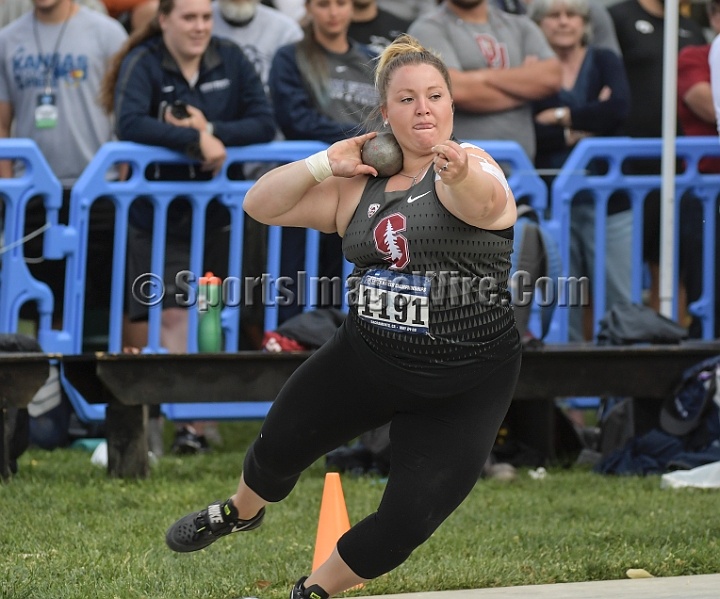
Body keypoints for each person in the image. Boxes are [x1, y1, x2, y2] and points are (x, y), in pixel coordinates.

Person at [165, 34, 522, 599]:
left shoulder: (473, 167)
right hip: (368, 357)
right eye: (407, 99)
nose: (423, 108)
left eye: (435, 96)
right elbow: (259, 204)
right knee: (278, 446)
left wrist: (458, 174)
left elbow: (483, 202)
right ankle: (240, 511)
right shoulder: (356, 188)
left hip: (466, 379)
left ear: (452, 105)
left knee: (405, 524)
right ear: (386, 114)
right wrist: (320, 163)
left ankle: (313, 590)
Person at [98, 0, 276, 452]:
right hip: (157, 215)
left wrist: (212, 128)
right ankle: (179, 421)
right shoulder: (144, 61)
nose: (200, 27)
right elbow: (129, 122)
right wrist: (196, 140)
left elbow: (263, 122)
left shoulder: (231, 57)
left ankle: (197, 422)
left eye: (205, 17)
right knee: (173, 310)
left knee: (210, 312)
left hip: (218, 212)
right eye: (188, 17)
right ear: (164, 20)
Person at [269, 0, 379, 323]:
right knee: (296, 281)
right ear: (309, 8)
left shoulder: (373, 61)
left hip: (360, 190)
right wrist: (359, 138)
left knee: (347, 283)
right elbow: (296, 119)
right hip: (309, 186)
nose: (333, 12)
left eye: (341, 3)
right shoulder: (290, 57)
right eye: (323, 4)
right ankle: (288, 341)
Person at [528, 0, 630, 342]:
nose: (563, 22)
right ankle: (567, 394)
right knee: (562, 296)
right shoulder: (533, 69)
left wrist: (559, 118)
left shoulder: (604, 59)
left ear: (584, 22)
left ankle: (621, 388)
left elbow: (617, 110)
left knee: (619, 294)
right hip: (554, 200)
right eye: (554, 15)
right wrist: (589, 117)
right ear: (539, 23)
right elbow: (532, 131)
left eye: (572, 14)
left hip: (609, 199)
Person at [609, 0, 705, 314]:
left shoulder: (689, 27)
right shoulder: (619, 17)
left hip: (680, 167)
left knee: (670, 264)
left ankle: (668, 344)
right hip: (626, 166)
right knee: (617, 269)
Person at [408, 0, 561, 162]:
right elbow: (454, 90)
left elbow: (552, 77)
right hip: (457, 170)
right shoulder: (428, 28)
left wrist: (478, 77)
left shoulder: (521, 25)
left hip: (522, 171)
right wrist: (524, 88)